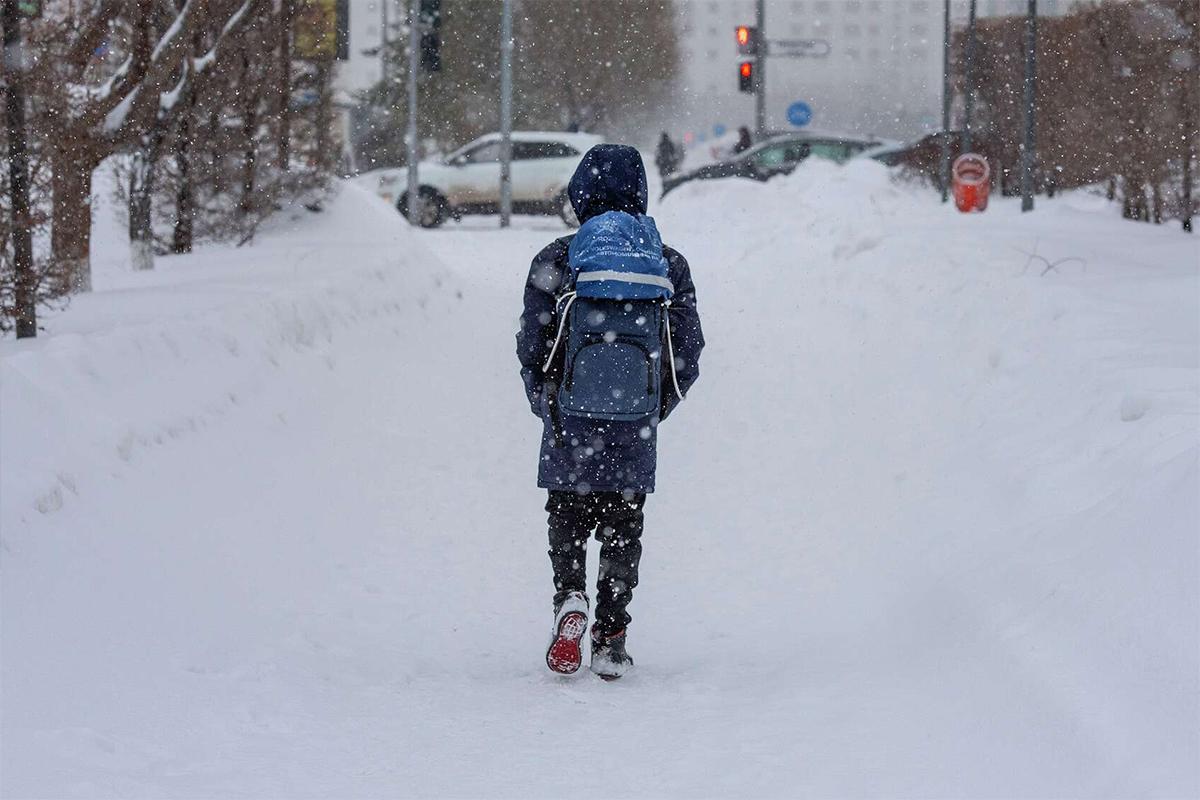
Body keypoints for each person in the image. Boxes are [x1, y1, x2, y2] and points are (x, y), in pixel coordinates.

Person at [516, 144, 704, 679]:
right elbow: (687, 350)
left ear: (581, 193)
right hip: (634, 419)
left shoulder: (558, 257)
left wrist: (545, 401)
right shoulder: (668, 263)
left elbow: (531, 341)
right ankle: (611, 635)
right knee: (624, 526)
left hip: (569, 417)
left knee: (568, 517)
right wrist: (654, 408)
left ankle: (570, 598)